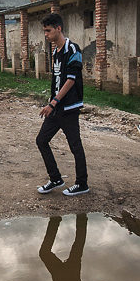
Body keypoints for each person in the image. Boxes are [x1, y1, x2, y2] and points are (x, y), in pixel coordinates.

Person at [36, 13, 89, 196]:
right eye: (44, 31)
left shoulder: (73, 50)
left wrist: (53, 102)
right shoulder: (55, 52)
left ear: (58, 28)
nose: (46, 35)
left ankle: (82, 184)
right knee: (41, 140)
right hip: (56, 107)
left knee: (75, 146)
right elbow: (57, 81)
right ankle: (56, 179)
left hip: (69, 108)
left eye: (48, 31)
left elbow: (71, 80)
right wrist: (52, 102)